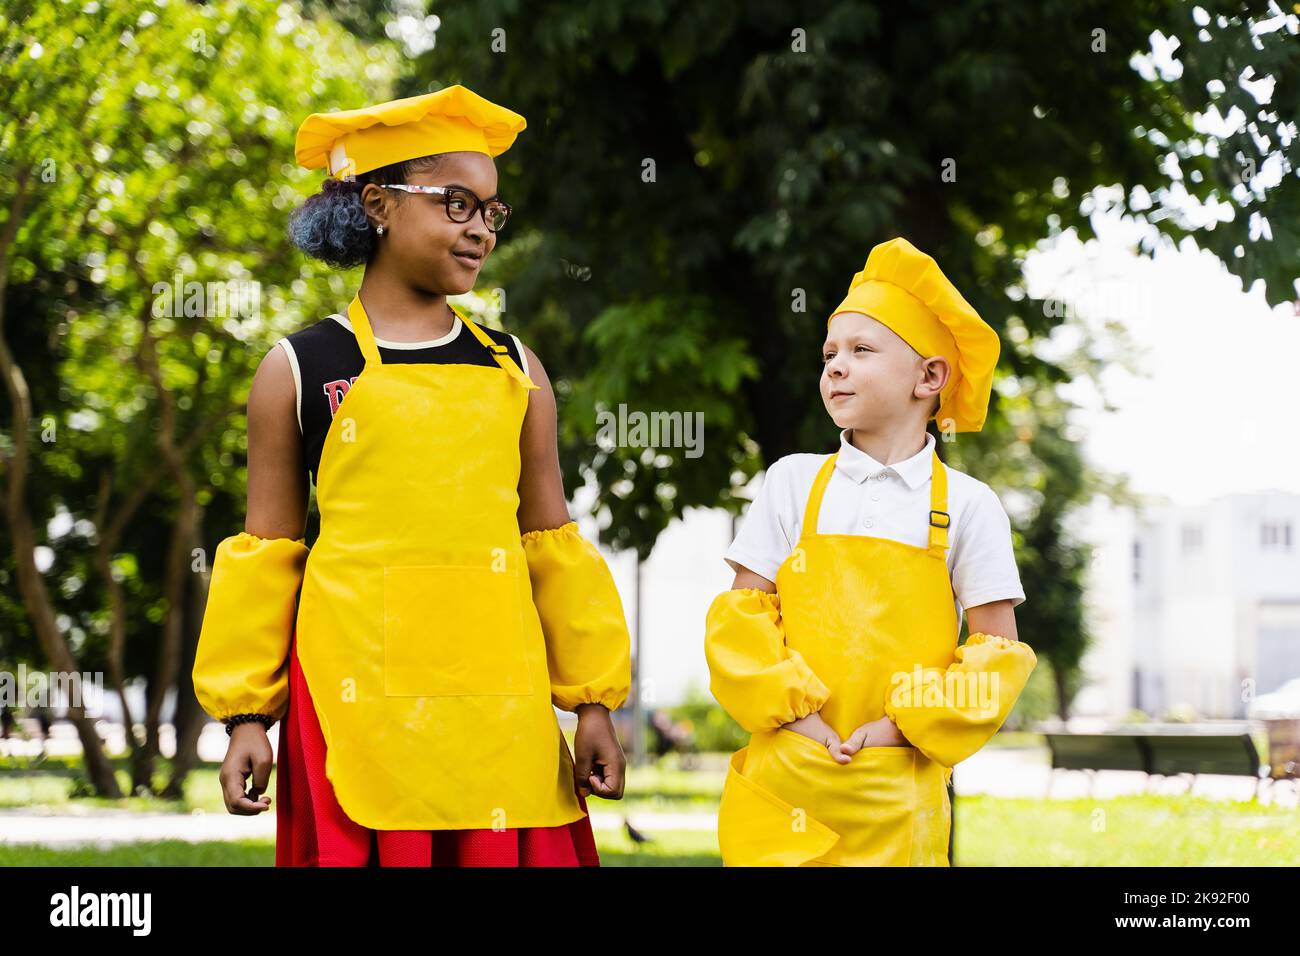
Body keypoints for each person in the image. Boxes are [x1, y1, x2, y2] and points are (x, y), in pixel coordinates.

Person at [192, 85, 632, 867]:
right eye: (457, 203)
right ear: (378, 205)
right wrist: (246, 716)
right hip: (359, 700)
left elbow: (550, 539)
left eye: (491, 212)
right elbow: (268, 547)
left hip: (501, 702)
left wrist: (592, 700)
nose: (479, 230)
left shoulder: (517, 369)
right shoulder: (297, 369)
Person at [705, 236, 1038, 866]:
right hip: (786, 779)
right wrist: (800, 720)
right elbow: (741, 622)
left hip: (897, 789)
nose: (834, 365)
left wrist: (899, 728)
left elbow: (995, 657)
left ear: (929, 376)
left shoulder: (968, 506)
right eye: (829, 352)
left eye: (862, 350)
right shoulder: (792, 483)